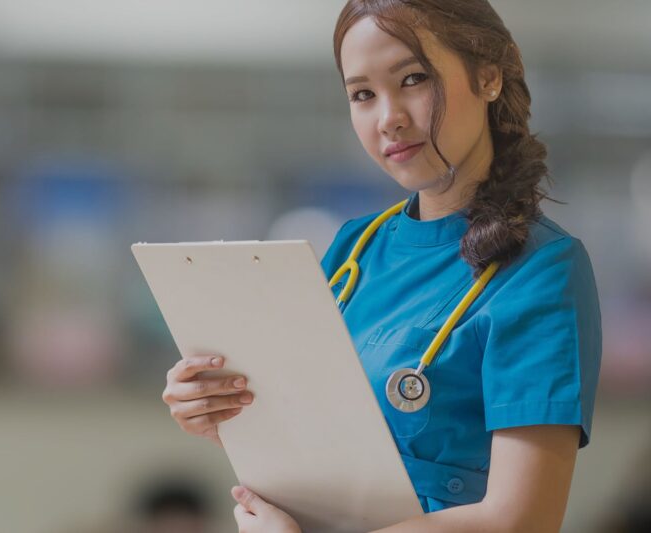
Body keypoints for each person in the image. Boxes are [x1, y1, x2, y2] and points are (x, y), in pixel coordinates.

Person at [159, 1, 602, 531]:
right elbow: (315, 437)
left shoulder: (543, 270)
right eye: (362, 94)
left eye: (413, 79)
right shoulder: (354, 248)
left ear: (489, 75)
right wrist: (221, 409)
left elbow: (522, 520)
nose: (388, 117)